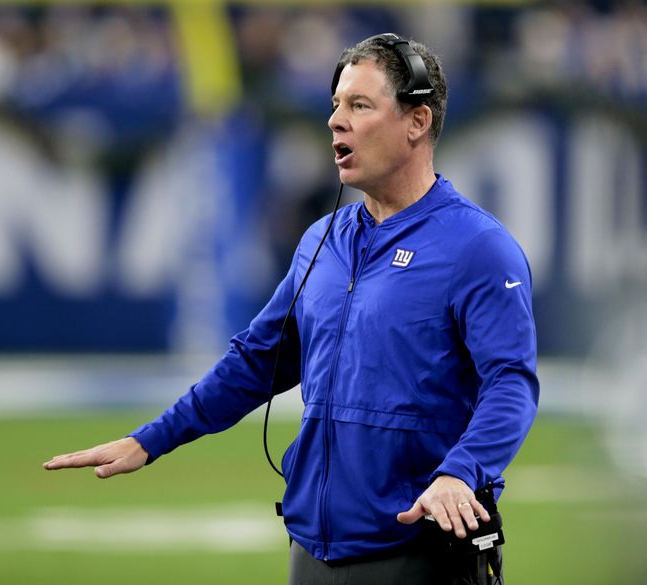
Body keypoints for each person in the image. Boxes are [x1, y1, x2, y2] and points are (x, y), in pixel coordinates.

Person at [44, 33, 538, 585]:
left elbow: (511, 382)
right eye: (335, 104)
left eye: (359, 105)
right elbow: (257, 359)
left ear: (416, 122)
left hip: (420, 552)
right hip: (312, 553)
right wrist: (152, 438)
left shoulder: (477, 247)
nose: (335, 121)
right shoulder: (321, 240)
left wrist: (461, 473)